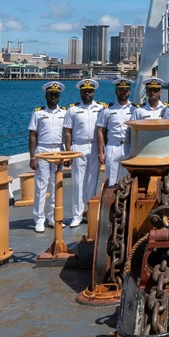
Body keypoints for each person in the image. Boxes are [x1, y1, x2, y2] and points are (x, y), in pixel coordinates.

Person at [63, 79, 107, 228]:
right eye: (85, 91)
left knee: (92, 181)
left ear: (94, 92)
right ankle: (77, 215)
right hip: (78, 146)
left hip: (95, 146)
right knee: (78, 182)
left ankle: (90, 212)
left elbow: (104, 130)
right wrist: (68, 152)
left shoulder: (101, 108)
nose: (87, 93)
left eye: (90, 91)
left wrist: (102, 150)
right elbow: (67, 132)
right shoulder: (73, 110)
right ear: (80, 92)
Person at [29, 81, 67, 233]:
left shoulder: (64, 113)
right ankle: (39, 219)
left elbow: (68, 133)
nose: (53, 97)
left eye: (56, 94)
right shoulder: (38, 113)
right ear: (46, 96)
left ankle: (53, 217)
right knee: (41, 186)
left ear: (59, 96)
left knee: (55, 185)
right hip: (43, 150)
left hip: (58, 150)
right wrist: (33, 157)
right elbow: (33, 135)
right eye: (51, 94)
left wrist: (66, 153)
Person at [96, 78, 135, 186]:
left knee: (128, 182)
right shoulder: (107, 109)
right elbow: (100, 131)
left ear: (129, 91)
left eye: (125, 90)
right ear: (116, 91)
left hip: (128, 147)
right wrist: (100, 152)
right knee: (110, 181)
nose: (123, 92)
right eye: (120, 90)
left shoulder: (134, 109)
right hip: (112, 146)